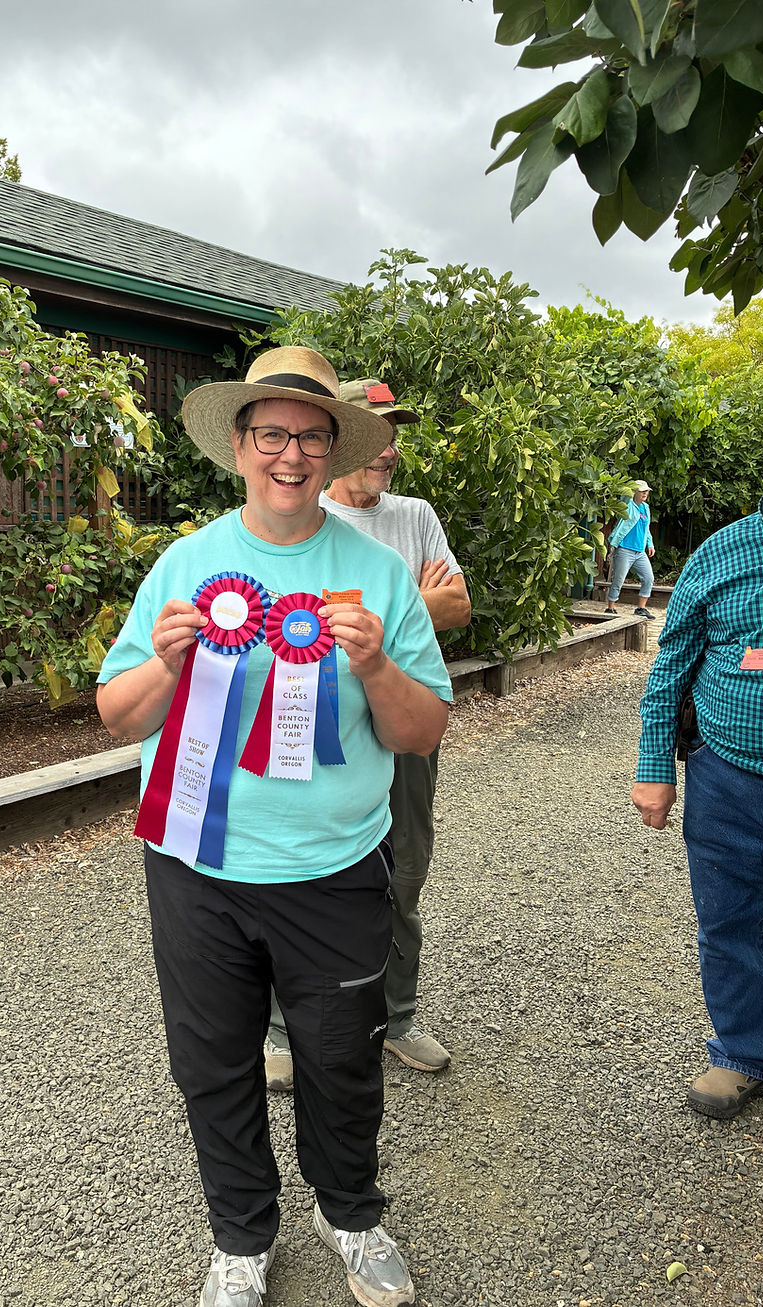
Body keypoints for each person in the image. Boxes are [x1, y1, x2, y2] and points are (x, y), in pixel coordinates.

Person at [97, 346, 452, 1307]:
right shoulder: (185, 565)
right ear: (240, 443)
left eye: (310, 436)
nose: (290, 455)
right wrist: (167, 664)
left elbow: (422, 731)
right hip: (196, 865)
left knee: (341, 1060)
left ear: (334, 449)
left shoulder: (378, 574)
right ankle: (241, 1237)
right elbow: (118, 714)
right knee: (212, 1062)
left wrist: (375, 666)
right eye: (271, 435)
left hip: (334, 868)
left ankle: (352, 1215)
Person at [264, 378, 470, 1091]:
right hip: (318, 720)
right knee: (301, 864)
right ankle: (282, 1028)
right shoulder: (303, 513)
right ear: (345, 439)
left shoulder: (415, 515)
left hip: (405, 707)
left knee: (404, 865)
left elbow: (459, 605)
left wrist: (379, 612)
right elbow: (288, 622)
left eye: (395, 435)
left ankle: (397, 1016)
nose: (389, 450)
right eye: (377, 433)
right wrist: (413, 599)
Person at [631, 487, 763, 1119]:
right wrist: (654, 767)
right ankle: (745, 1052)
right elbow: (671, 669)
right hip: (729, 777)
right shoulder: (721, 553)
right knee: (728, 924)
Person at [605, 479, 656, 619]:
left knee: (648, 578)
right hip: (624, 549)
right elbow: (624, 495)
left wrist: (650, 544)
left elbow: (646, 528)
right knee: (618, 579)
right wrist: (629, 489)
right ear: (635, 492)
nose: (645, 493)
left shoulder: (646, 508)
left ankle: (641, 608)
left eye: (646, 491)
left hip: (640, 551)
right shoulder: (628, 504)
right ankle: (610, 608)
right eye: (642, 491)